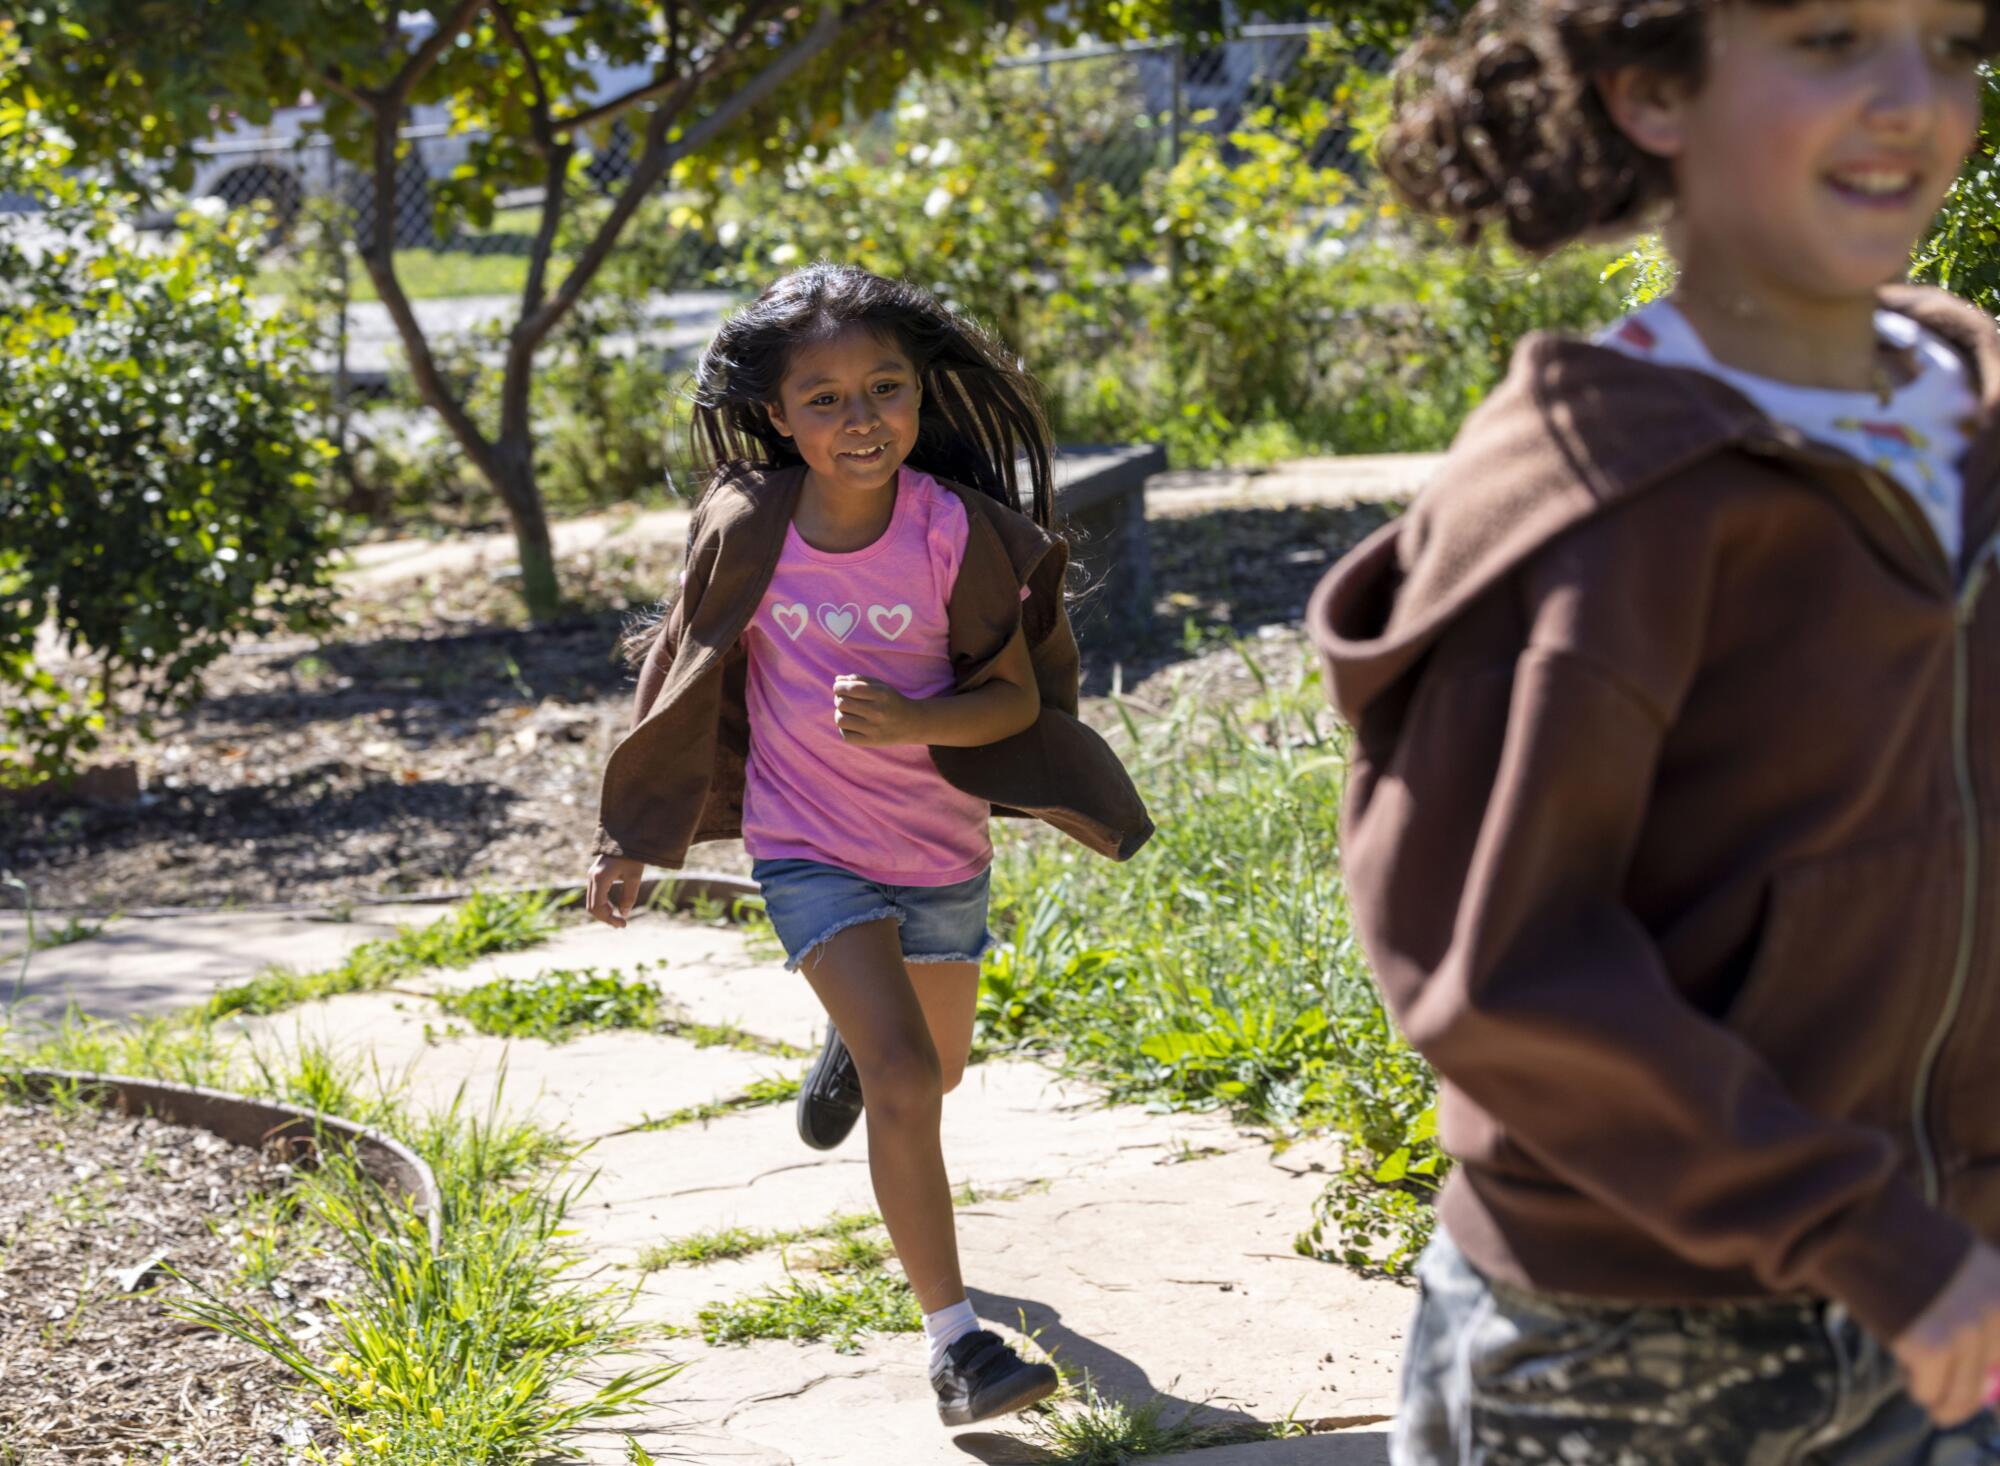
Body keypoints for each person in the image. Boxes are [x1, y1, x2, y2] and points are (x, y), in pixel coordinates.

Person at [1310, 0, 2000, 1458]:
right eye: (1829, 41)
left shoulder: (1973, 429)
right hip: (1625, 1339)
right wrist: (1865, 1231)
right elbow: (1501, 962)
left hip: (1950, 1285)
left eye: (1954, 43)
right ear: (1649, 96)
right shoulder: (1601, 504)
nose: (1912, 98)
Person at [584, 262, 1152, 1428]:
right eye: (826, 398)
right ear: (777, 415)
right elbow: (679, 672)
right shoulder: (751, 526)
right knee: (908, 1079)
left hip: (937, 850)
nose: (860, 418)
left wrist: (919, 722)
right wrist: (631, 835)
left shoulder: (954, 532)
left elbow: (1008, 704)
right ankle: (958, 1348)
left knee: (927, 1072)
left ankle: (855, 1042)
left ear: (919, 395)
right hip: (807, 848)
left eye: (883, 388)